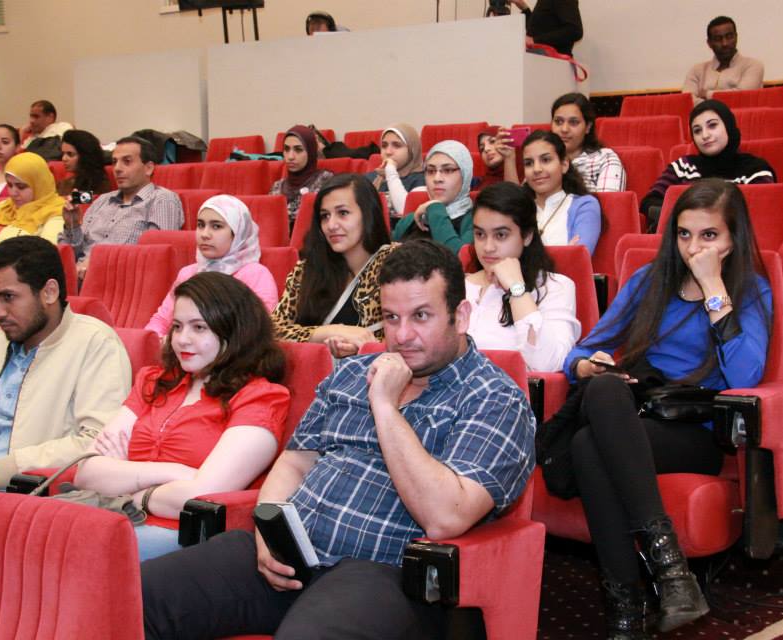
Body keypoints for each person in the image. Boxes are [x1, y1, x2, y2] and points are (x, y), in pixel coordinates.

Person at [141, 238, 536, 640]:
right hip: (294, 553)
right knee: (137, 596)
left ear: (461, 316)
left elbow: (445, 517)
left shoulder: (494, 399)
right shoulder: (350, 373)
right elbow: (295, 463)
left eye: (421, 316)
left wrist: (385, 406)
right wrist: (269, 533)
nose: (402, 335)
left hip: (385, 573)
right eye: (390, 317)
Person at [561, 179, 772, 638]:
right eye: (684, 234)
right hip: (639, 418)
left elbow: (745, 376)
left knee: (587, 445)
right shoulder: (648, 281)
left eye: (709, 235)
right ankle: (668, 574)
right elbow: (581, 350)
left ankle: (629, 611)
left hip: (699, 432)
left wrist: (713, 287)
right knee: (600, 399)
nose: (693, 248)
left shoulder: (750, 291)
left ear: (733, 238)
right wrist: (586, 366)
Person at [76, 272, 289, 561]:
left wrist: (130, 489)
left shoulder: (260, 397)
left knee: (74, 550)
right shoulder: (155, 381)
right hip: (110, 517)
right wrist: (173, 473)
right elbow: (86, 472)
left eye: (199, 327)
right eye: (177, 326)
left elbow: (202, 496)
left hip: (181, 536)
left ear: (236, 332)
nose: (182, 340)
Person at [0, 236, 131, 533]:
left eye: (8, 297)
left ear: (49, 292)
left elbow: (95, 444)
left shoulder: (97, 344)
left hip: (30, 497)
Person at [273, 173, 393, 359]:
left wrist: (361, 347)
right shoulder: (307, 270)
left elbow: (409, 335)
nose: (331, 225)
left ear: (368, 214)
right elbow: (272, 331)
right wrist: (328, 332)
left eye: (343, 213)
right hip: (311, 371)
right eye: (325, 216)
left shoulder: (395, 265)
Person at [465, 182, 580, 371]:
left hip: (514, 388)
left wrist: (516, 289)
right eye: (480, 234)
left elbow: (548, 364)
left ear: (527, 236)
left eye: (501, 235)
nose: (488, 247)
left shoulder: (555, 287)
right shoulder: (457, 285)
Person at [146, 196, 278, 338]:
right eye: (201, 225)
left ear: (238, 233)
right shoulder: (188, 273)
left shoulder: (256, 274)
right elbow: (161, 321)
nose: (204, 234)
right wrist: (152, 341)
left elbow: (258, 330)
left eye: (216, 226)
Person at [58, 136, 183, 280]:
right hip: (75, 277)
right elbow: (71, 253)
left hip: (120, 280)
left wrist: (98, 264)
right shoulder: (102, 200)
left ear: (148, 168)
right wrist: (72, 225)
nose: (117, 169)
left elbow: (156, 258)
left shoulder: (162, 199)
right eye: (114, 162)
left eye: (127, 161)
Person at [640, 99, 775, 229]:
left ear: (728, 126)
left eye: (712, 125)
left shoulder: (756, 169)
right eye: (697, 130)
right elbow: (649, 203)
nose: (705, 135)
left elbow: (761, 212)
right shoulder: (682, 167)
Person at [0, 152, 66, 249]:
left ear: (39, 185)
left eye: (21, 186)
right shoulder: (2, 207)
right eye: (9, 185)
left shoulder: (57, 213)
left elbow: (46, 253)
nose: (12, 193)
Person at [521, 129, 602, 254]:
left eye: (546, 160)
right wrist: (562, 254)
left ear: (564, 165)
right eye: (529, 163)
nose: (536, 169)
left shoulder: (584, 205)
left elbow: (577, 258)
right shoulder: (518, 208)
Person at [392, 140, 475, 255]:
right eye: (431, 171)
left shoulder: (475, 221)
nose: (437, 178)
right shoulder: (410, 220)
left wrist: (435, 208)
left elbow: (459, 259)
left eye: (448, 170)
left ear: (465, 174)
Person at [550, 93, 626, 192]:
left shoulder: (604, 158)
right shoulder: (542, 159)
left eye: (573, 122)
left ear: (588, 127)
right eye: (558, 122)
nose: (564, 129)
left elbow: (609, 200)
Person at [683, 16, 764, 104]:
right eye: (718, 39)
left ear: (736, 37)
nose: (725, 43)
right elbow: (687, 100)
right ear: (709, 43)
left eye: (729, 37)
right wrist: (725, 98)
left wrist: (707, 94)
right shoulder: (697, 71)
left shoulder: (753, 66)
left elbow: (742, 97)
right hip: (704, 113)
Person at [269, 125, 335, 223]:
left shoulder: (325, 182)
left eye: (298, 150)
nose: (290, 157)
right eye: (286, 149)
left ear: (311, 152)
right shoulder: (277, 187)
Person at [363, 124, 425, 217]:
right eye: (384, 146)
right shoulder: (370, 178)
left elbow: (405, 211)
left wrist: (391, 171)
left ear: (412, 150)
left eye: (397, 145)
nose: (388, 152)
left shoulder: (422, 180)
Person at [509, 0, 583, 55]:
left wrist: (535, 40)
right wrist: (525, 9)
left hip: (552, 63)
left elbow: (575, 30)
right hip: (541, 60)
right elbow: (537, 30)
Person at [56, 129, 111, 197]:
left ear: (85, 156)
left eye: (70, 154)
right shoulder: (64, 183)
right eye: (63, 153)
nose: (64, 159)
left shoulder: (101, 184)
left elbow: (86, 200)